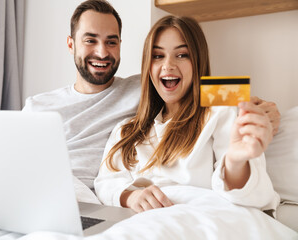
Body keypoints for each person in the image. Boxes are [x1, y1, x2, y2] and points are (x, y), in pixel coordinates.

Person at [23, 0, 281, 191]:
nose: (102, 52)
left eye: (111, 41)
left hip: (93, 202)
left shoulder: (147, 87)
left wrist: (261, 108)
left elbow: (216, 92)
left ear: (120, 44)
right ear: (71, 44)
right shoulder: (37, 105)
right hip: (44, 192)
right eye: (90, 40)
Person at [94, 15, 280, 213]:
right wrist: (130, 197)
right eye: (158, 56)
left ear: (197, 61)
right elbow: (106, 183)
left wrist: (234, 162)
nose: (168, 65)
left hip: (197, 218)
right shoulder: (126, 130)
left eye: (182, 55)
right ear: (148, 66)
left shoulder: (221, 112)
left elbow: (249, 193)